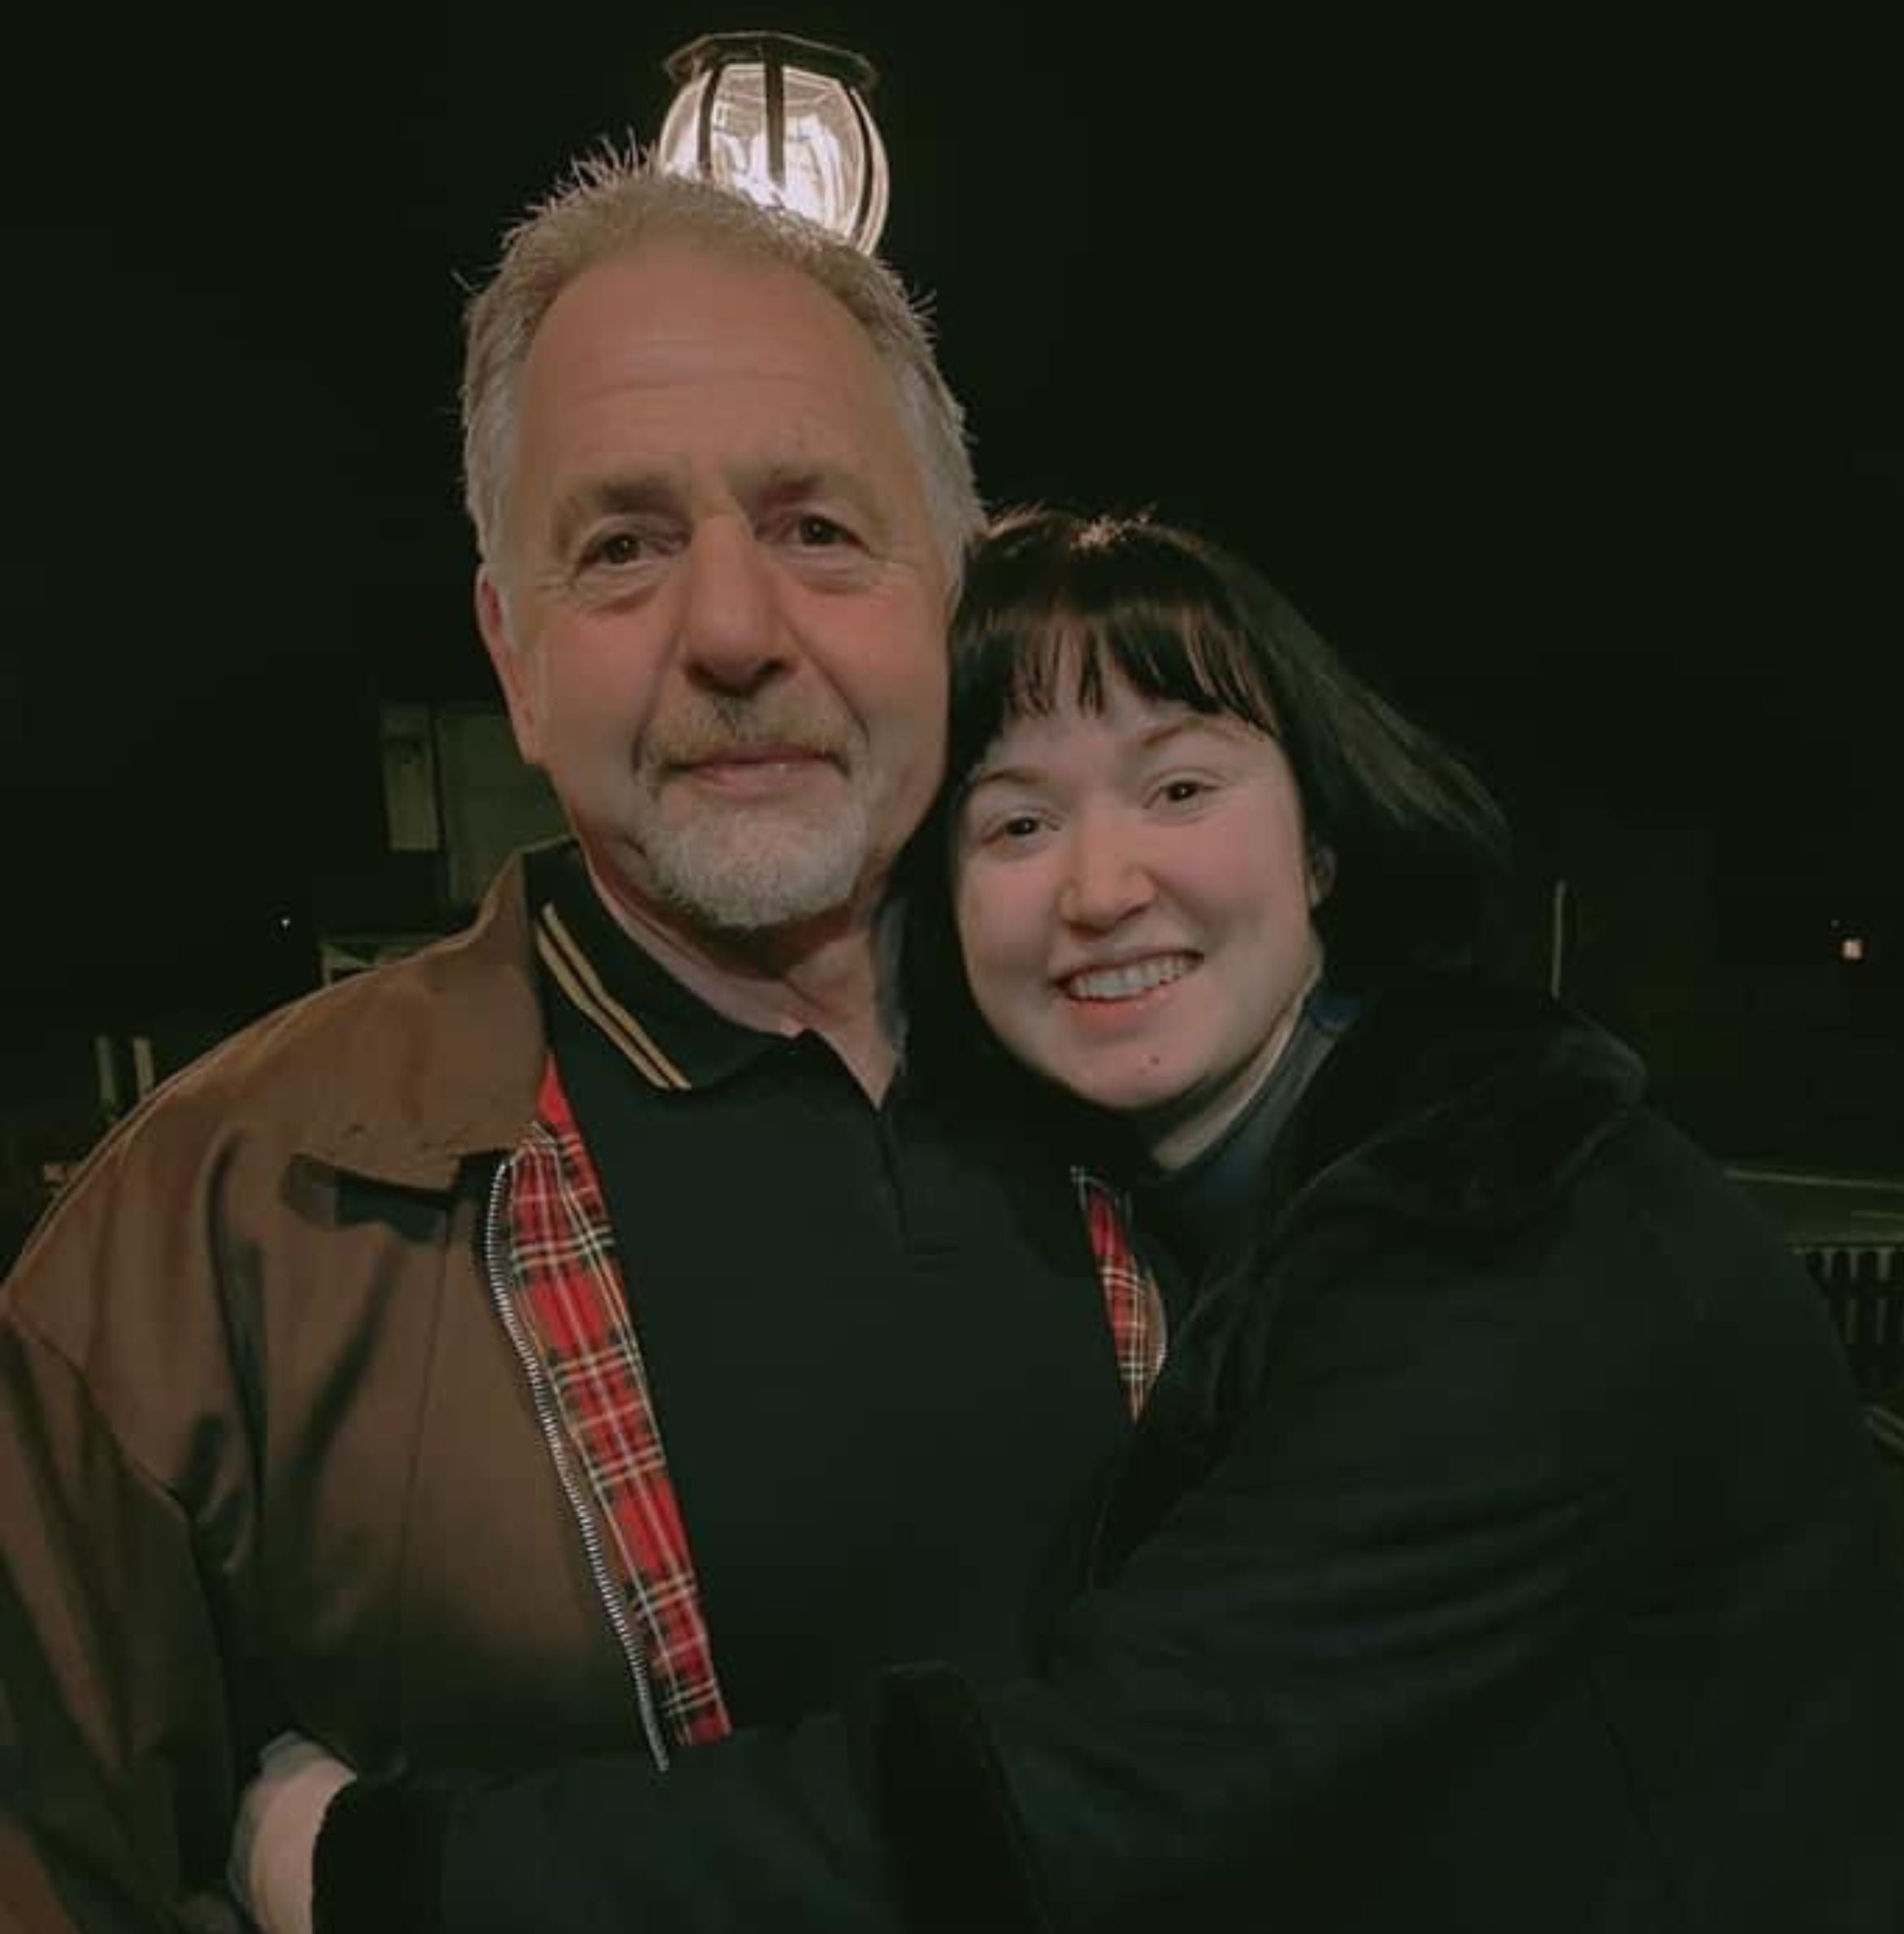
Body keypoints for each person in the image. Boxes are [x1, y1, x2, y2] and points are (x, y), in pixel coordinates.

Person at [275, 510, 1904, 1932]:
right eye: (1012, 820)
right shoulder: (1261, 1198)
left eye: (1179, 783)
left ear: (1323, 838)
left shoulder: (1507, 1240)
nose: (1098, 883)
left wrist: (377, 1866)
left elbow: (1079, 1798)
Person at [0, 162, 1164, 1934]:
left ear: (954, 596)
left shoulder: (1207, 1095)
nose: (729, 632)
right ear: (513, 655)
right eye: (619, 545)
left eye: (817, 527)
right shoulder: (210, 1233)